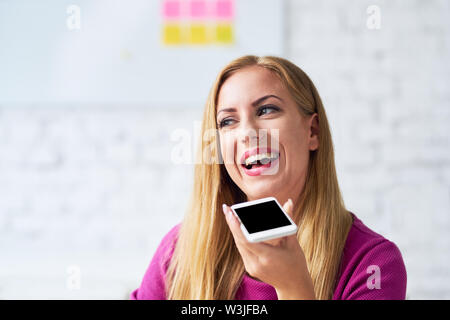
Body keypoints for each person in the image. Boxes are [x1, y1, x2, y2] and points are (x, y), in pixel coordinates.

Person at [130, 55, 407, 300]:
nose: (247, 132)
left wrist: (294, 288)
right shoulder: (179, 249)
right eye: (228, 121)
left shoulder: (373, 263)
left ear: (312, 132)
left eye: (266, 110)